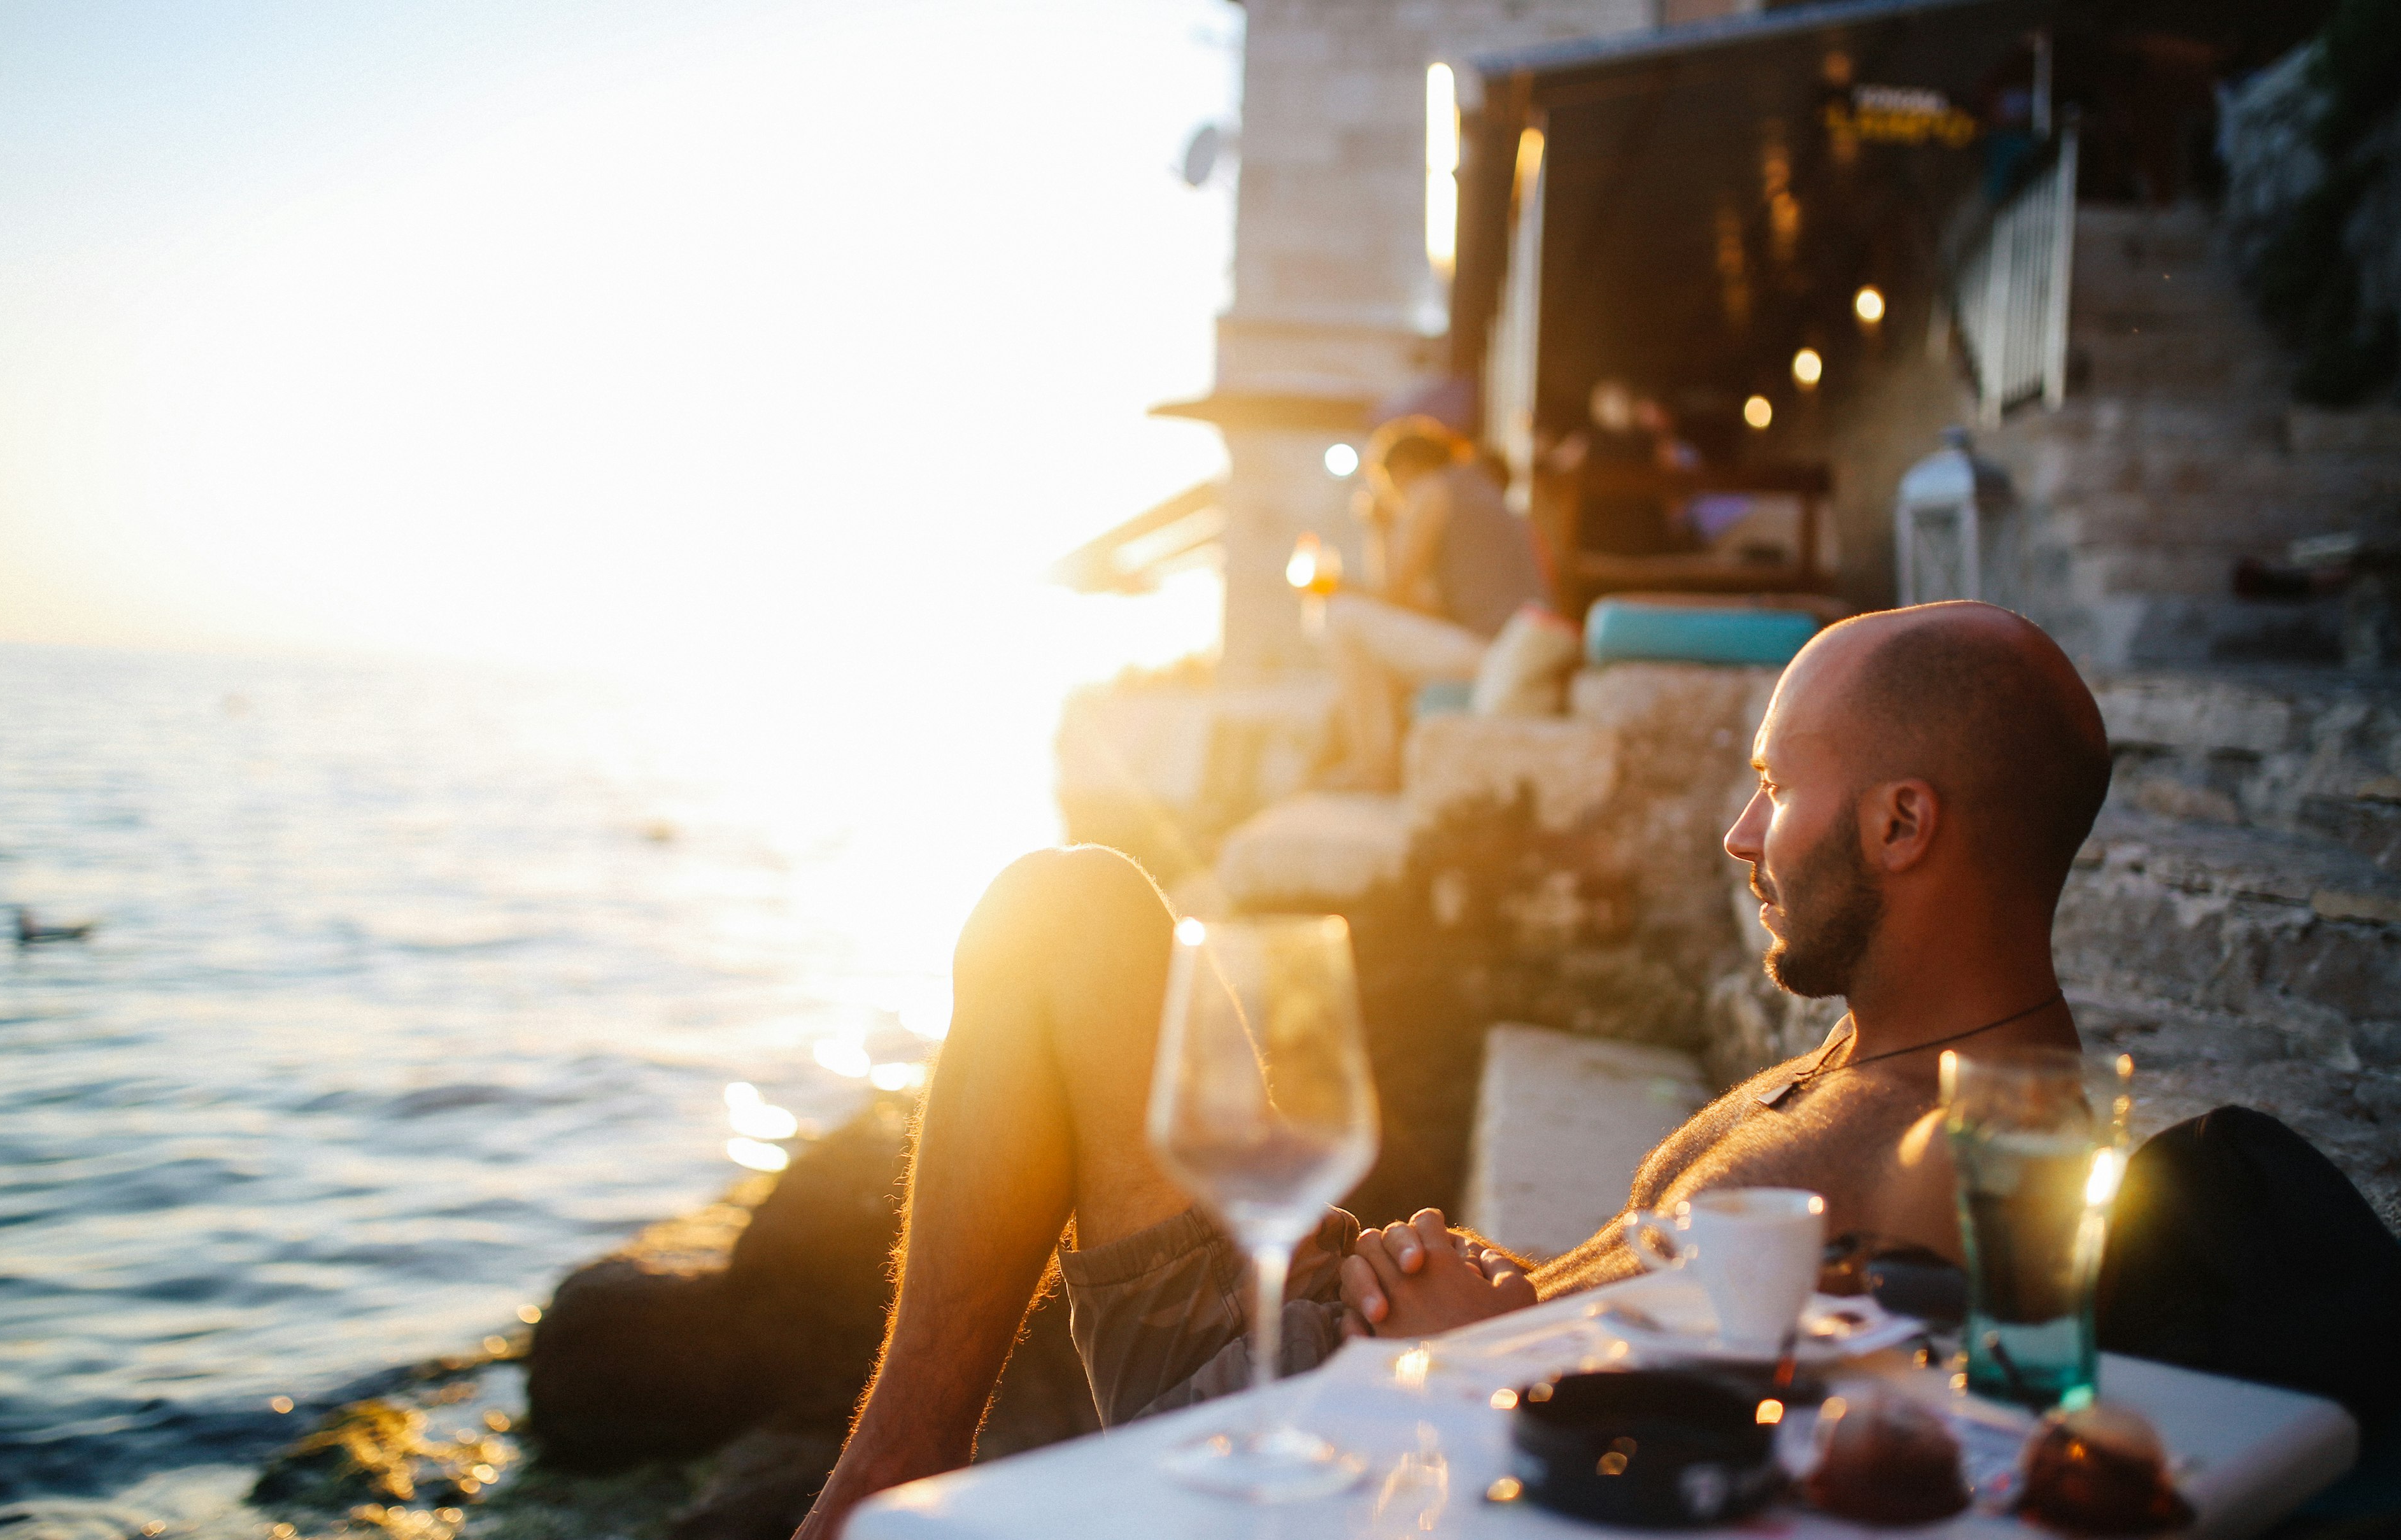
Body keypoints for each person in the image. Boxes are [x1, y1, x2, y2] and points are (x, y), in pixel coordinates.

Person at [790, 600, 2112, 1539]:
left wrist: (1483, 1368)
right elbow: (1665, 1308)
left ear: (1900, 823)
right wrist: (1483, 1292)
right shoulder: (1866, 1056)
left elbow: (1786, 1466)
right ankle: (897, 1466)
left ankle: (881, 1485)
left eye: (1775, 786)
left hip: (1369, 1433)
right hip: (1379, 1350)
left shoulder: (1960, 1159)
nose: (1738, 834)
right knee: (1073, 910)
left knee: (1061, 916)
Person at [1318, 415, 1547, 790]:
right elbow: (1426, 607)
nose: (1394, 499)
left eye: (1389, 486)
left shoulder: (1433, 489)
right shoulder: (1479, 490)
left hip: (1495, 652)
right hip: (1517, 646)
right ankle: (1378, 759)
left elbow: (1393, 592)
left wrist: (1378, 529)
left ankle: (1376, 766)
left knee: (1344, 620)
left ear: (1404, 470)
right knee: (1367, 637)